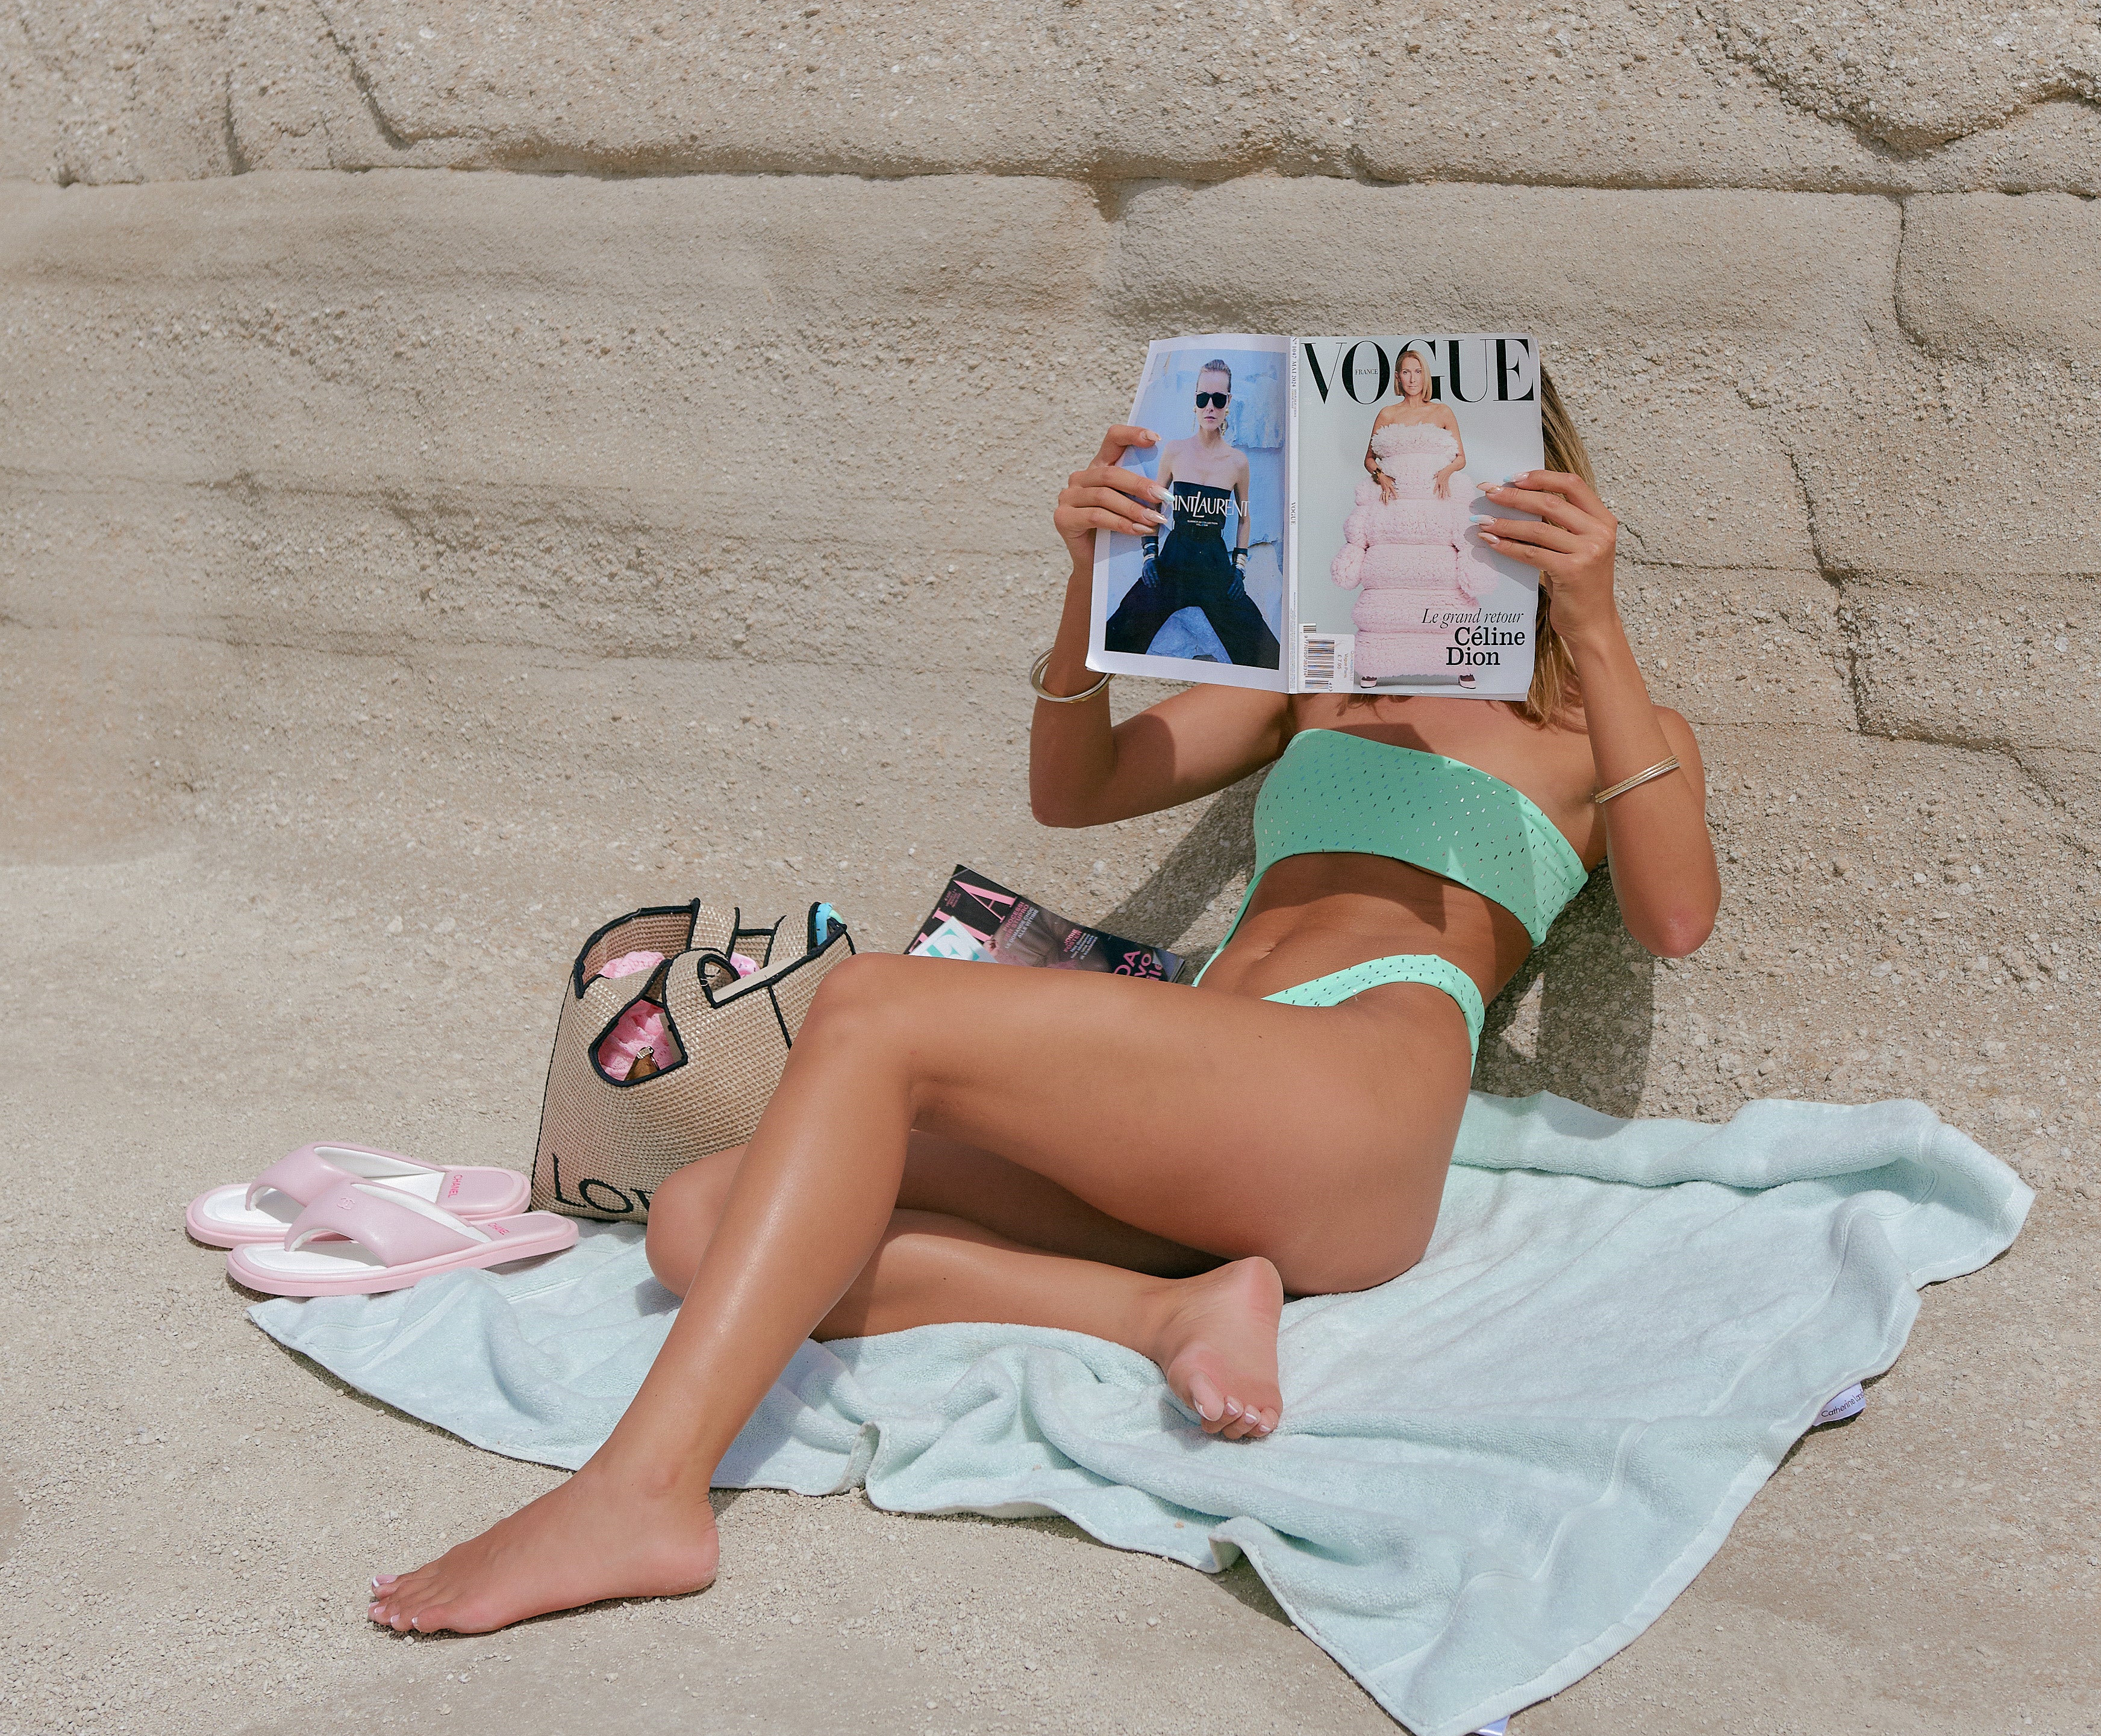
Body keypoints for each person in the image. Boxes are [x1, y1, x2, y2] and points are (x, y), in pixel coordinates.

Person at [369, 372, 1720, 1637]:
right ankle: (1163, 1314)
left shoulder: (1605, 728)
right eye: (1370, 460)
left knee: (881, 1013)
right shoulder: (1322, 682)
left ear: (1518, 479)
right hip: (1202, 1109)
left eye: (1439, 453)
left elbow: (1675, 917)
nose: (1399, 481)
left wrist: (1592, 622)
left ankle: (644, 1493)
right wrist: (1087, 589)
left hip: (1354, 1100)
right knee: (696, 1218)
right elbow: (1078, 789)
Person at [1100, 356, 1281, 672]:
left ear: (1227, 404)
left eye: (1218, 399)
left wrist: (1239, 570)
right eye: (1203, 398)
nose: (1210, 406)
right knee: (1116, 635)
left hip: (1216, 569)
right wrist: (1149, 556)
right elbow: (1154, 503)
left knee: (1264, 652)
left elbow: (1245, 516)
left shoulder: (1238, 462)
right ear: (1195, 403)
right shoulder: (1174, 451)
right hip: (1172, 564)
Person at [1364, 345, 1468, 501]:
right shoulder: (1387, 414)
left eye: (1418, 372)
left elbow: (1461, 458)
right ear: (1398, 377)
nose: (1413, 379)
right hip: (1395, 496)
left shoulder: (1442, 411)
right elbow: (1369, 459)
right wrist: (1382, 477)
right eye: (1407, 373)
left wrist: (1446, 473)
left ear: (1425, 376)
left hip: (1436, 494)